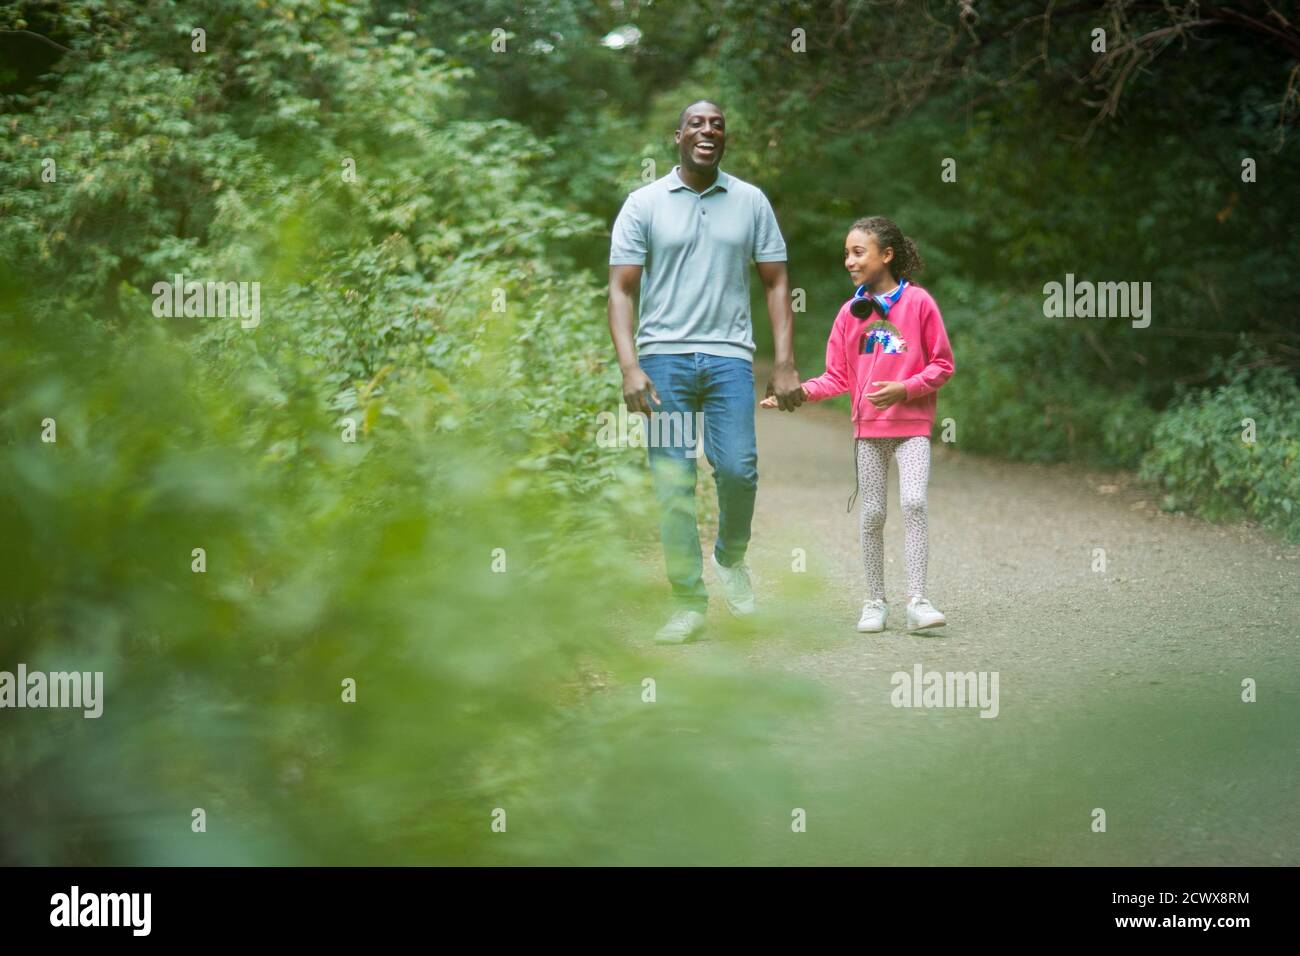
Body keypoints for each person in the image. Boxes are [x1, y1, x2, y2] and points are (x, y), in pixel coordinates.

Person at [607, 99, 804, 644]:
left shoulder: (750, 201)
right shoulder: (643, 203)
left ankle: (730, 557)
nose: (708, 130)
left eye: (717, 124)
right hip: (662, 362)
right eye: (697, 123)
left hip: (728, 358)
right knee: (674, 481)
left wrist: (784, 363)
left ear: (725, 140)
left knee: (739, 468)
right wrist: (630, 366)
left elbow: (776, 282)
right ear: (678, 136)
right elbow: (621, 290)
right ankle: (688, 604)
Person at [762, 216, 953, 633]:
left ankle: (917, 601)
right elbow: (837, 376)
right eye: (846, 253)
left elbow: (943, 365)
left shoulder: (919, 303)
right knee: (872, 515)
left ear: (886, 255)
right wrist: (795, 394)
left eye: (857, 252)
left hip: (912, 428)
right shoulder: (850, 313)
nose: (849, 260)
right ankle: (874, 602)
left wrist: (904, 389)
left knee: (915, 503)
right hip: (869, 435)